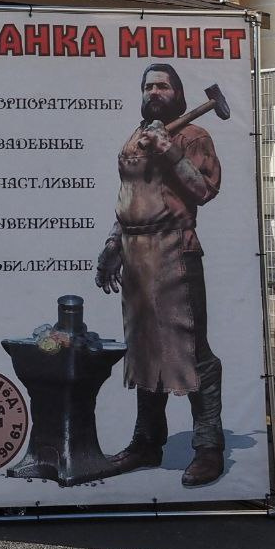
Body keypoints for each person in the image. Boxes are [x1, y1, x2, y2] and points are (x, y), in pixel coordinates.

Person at [96, 63, 225, 488]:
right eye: (149, 85)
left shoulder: (193, 137)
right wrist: (114, 244)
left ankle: (209, 448)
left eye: (163, 85)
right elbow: (128, 195)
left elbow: (203, 191)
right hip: (135, 254)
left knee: (191, 351)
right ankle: (147, 442)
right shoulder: (136, 134)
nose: (155, 91)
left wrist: (169, 148)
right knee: (145, 349)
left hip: (175, 250)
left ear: (178, 92)